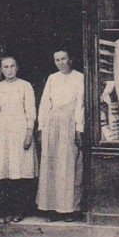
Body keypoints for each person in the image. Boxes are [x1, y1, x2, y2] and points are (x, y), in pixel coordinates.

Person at [35, 48, 85, 221]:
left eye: (64, 59)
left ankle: (69, 209)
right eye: (57, 60)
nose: (61, 63)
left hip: (69, 123)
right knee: (51, 166)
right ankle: (52, 209)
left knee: (69, 165)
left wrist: (79, 128)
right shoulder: (52, 78)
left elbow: (80, 104)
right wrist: (41, 128)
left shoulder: (80, 77)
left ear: (70, 59)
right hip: (52, 124)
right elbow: (44, 103)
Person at [0, 55, 38, 222]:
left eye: (12, 66)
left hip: (20, 130)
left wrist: (29, 134)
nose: (9, 70)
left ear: (17, 68)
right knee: (5, 173)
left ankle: (20, 210)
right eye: (5, 67)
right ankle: (6, 210)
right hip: (3, 132)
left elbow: (30, 111)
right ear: (1, 69)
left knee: (19, 173)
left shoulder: (25, 86)